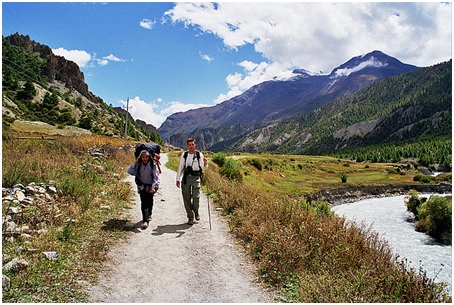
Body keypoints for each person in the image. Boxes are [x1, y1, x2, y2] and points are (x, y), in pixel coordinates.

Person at [176, 138, 206, 225]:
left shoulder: (199, 155)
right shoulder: (184, 155)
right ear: (187, 146)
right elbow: (181, 167)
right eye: (189, 145)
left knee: (196, 197)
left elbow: (203, 168)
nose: (191, 146)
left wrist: (205, 163)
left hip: (196, 178)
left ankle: (196, 211)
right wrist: (178, 179)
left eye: (192, 145)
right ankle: (190, 217)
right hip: (186, 178)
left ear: (195, 145)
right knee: (186, 198)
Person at [128, 149, 160, 229]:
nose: (145, 159)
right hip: (141, 186)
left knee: (150, 201)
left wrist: (155, 186)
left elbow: (156, 177)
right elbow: (130, 171)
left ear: (149, 157)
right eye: (143, 157)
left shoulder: (152, 165)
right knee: (143, 202)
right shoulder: (138, 165)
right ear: (140, 158)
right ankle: (145, 220)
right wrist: (135, 162)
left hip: (150, 186)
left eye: (146, 157)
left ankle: (149, 214)